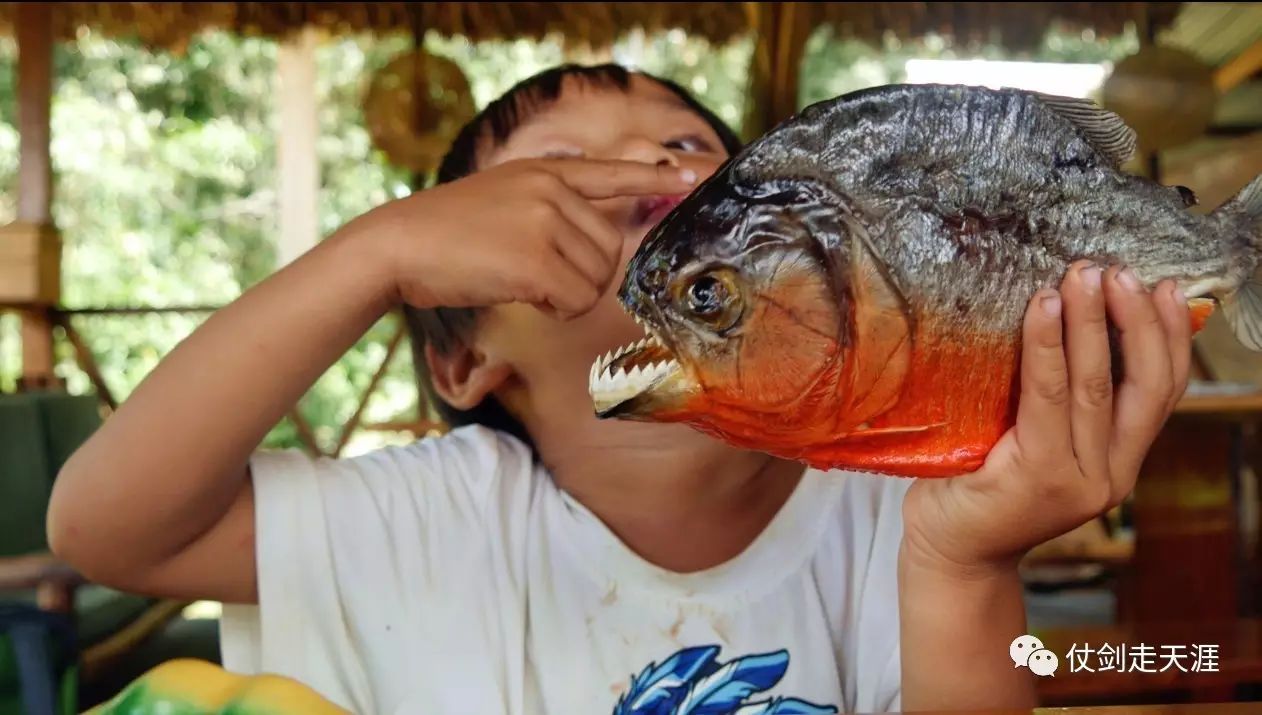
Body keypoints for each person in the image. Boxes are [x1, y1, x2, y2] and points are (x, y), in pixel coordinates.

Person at [46, 64, 1192, 714]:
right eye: (553, 176)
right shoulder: (417, 523)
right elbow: (106, 527)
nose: (646, 169)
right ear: (462, 356)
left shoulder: (896, 513)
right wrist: (370, 253)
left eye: (693, 152)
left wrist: (964, 563)